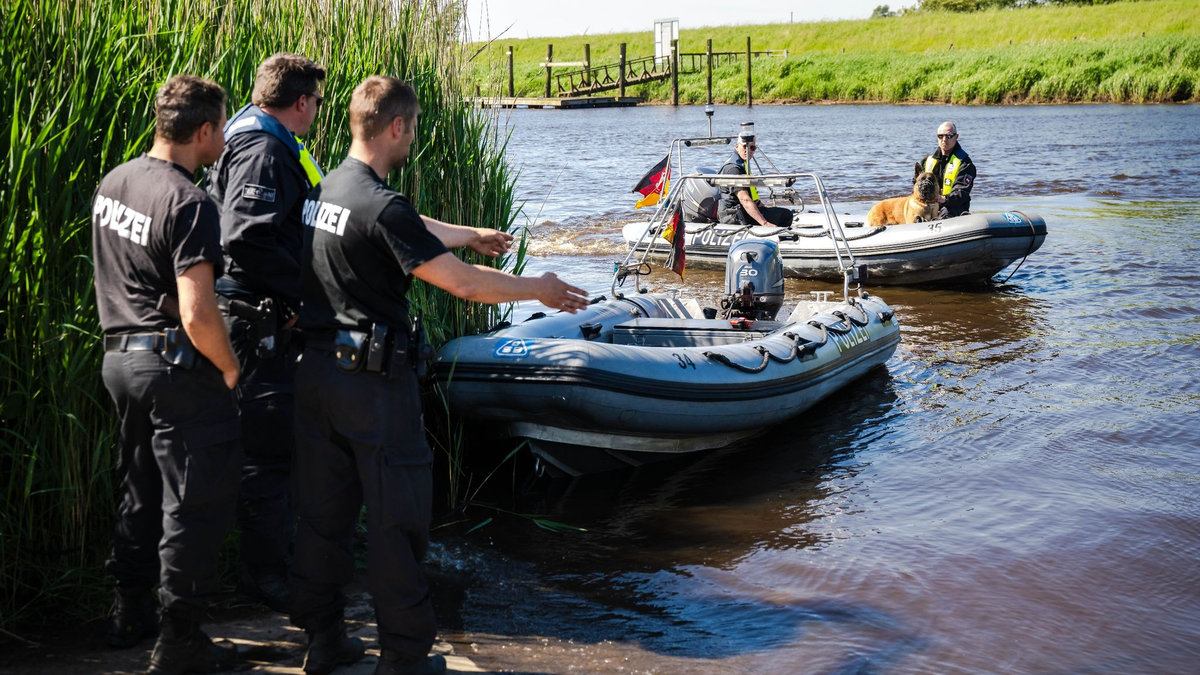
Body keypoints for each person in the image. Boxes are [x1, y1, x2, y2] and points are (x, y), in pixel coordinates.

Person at [288, 75, 588, 675]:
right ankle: (403, 658)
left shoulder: (327, 191)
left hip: (317, 379)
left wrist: (470, 235)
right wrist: (540, 290)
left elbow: (401, 227)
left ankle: (323, 642)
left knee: (324, 519)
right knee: (398, 521)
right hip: (373, 387)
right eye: (413, 127)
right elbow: (463, 283)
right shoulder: (380, 202)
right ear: (396, 126)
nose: (413, 138)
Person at [93, 74, 242, 674]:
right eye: (222, 129)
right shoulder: (190, 202)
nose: (226, 139)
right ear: (203, 131)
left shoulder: (115, 180)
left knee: (139, 486)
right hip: (171, 366)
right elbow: (198, 311)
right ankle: (180, 639)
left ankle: (129, 611)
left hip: (118, 360)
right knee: (191, 501)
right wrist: (230, 369)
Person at [204, 52, 327, 612]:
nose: (316, 112)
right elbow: (246, 238)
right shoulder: (263, 147)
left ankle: (275, 562)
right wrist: (296, 297)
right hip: (257, 320)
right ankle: (264, 577)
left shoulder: (257, 136)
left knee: (271, 450)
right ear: (301, 102)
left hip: (261, 314)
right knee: (267, 454)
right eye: (316, 103)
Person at [718, 125, 793, 228]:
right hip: (734, 215)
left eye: (752, 148)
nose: (748, 150)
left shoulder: (742, 164)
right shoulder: (734, 169)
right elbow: (744, 199)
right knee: (785, 215)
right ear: (736, 146)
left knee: (780, 213)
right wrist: (764, 223)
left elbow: (750, 193)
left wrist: (759, 204)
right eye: (745, 146)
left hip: (741, 210)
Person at [914, 121, 976, 219]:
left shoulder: (965, 164)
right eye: (940, 136)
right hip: (929, 205)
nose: (944, 140)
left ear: (956, 137)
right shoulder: (928, 161)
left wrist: (943, 199)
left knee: (946, 212)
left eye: (949, 136)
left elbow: (961, 192)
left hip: (954, 206)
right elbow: (916, 183)